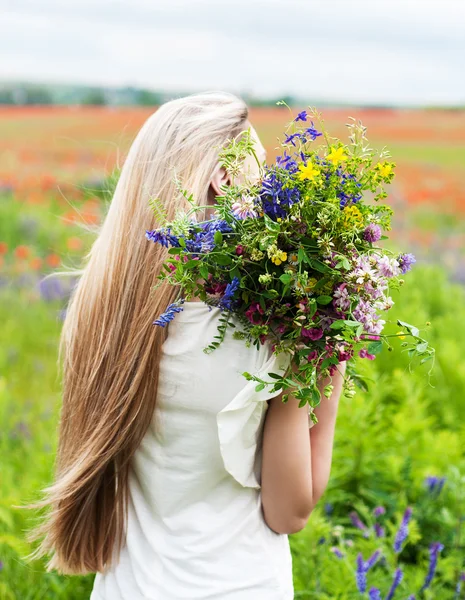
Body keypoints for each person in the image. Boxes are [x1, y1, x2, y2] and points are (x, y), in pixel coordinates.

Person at [27, 91, 346, 599]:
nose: (269, 191)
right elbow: (289, 511)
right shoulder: (261, 331)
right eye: (260, 174)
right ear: (223, 177)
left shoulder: (106, 309)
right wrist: (323, 364)